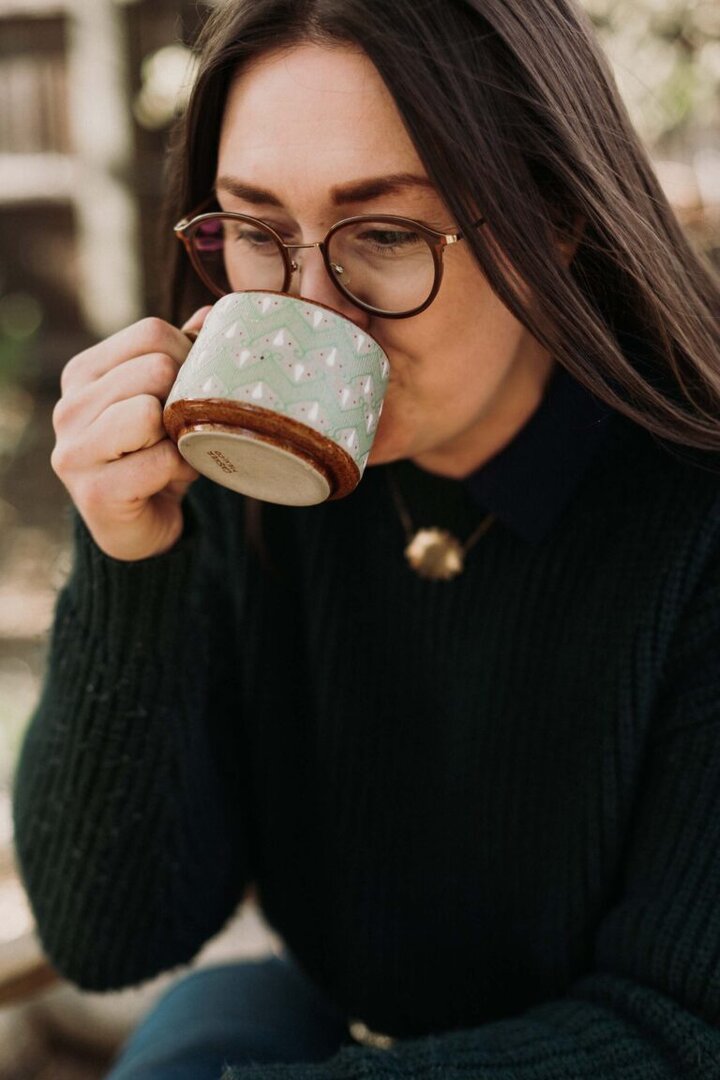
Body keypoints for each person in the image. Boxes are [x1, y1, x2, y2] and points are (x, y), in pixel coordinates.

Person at [11, 0, 720, 1077]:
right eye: (254, 230)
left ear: (559, 217)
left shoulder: (690, 524)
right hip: (340, 1015)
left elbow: (683, 1027)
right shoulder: (242, 473)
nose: (306, 311)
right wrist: (128, 567)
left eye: (383, 235)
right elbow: (116, 935)